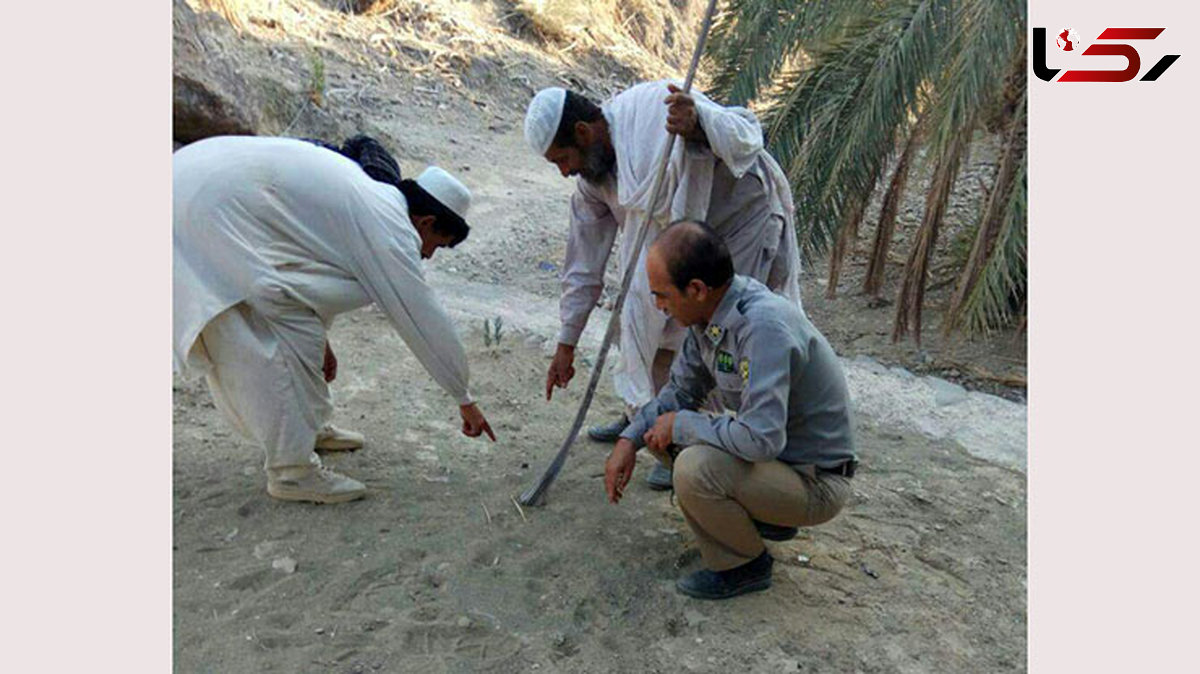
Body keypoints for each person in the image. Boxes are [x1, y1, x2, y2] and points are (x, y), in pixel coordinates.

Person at [174, 135, 496, 504]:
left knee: (300, 330)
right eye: (436, 245)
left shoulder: (373, 200)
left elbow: (308, 265)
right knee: (264, 346)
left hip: (202, 188)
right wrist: (463, 396)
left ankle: (307, 431)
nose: (428, 256)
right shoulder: (391, 229)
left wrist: (322, 338)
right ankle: (291, 472)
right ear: (425, 221)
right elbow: (421, 317)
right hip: (200, 212)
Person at [523, 80, 804, 490]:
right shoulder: (592, 181)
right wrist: (566, 344)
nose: (565, 172)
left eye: (563, 159)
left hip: (738, 221)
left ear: (583, 132)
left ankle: (694, 441)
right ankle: (643, 415)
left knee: (710, 328)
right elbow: (583, 266)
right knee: (639, 313)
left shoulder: (656, 109)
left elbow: (746, 135)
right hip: (674, 245)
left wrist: (698, 125)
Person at [603, 222, 856, 600]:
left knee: (694, 467)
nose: (659, 307)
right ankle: (764, 518)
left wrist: (685, 424)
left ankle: (743, 565)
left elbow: (761, 440)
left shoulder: (762, 328)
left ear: (697, 290)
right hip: (783, 465)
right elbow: (678, 394)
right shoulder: (708, 319)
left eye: (663, 295)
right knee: (659, 432)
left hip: (815, 482)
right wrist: (628, 439)